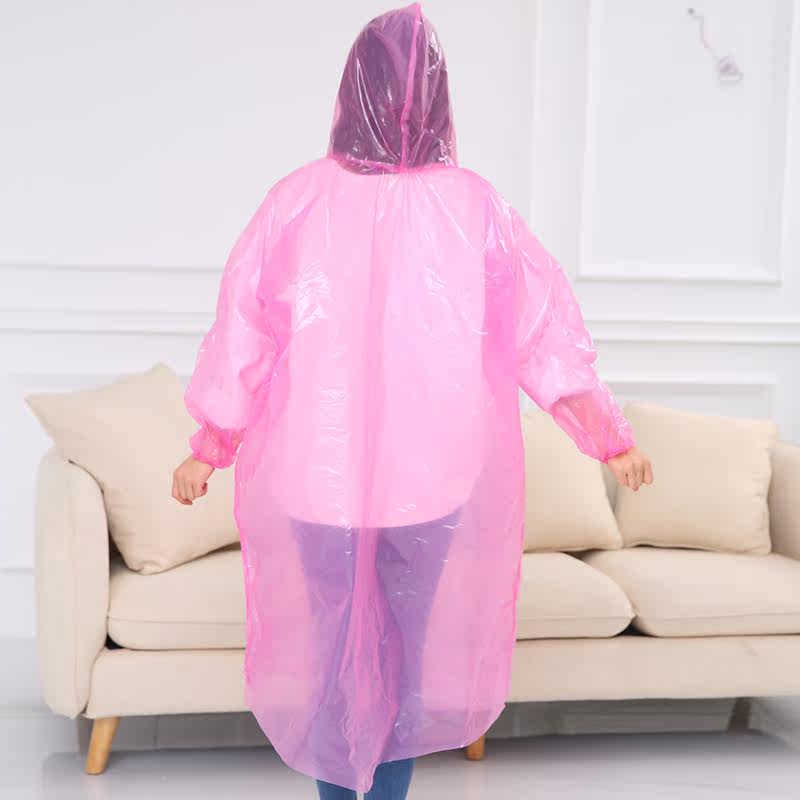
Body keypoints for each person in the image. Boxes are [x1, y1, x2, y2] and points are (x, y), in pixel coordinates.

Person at [171, 3, 653, 798]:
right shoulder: (468, 208)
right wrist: (606, 434)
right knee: (394, 654)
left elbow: (242, 334)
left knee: (343, 654)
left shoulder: (304, 202)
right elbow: (543, 330)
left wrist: (213, 443)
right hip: (418, 484)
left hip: (329, 484)